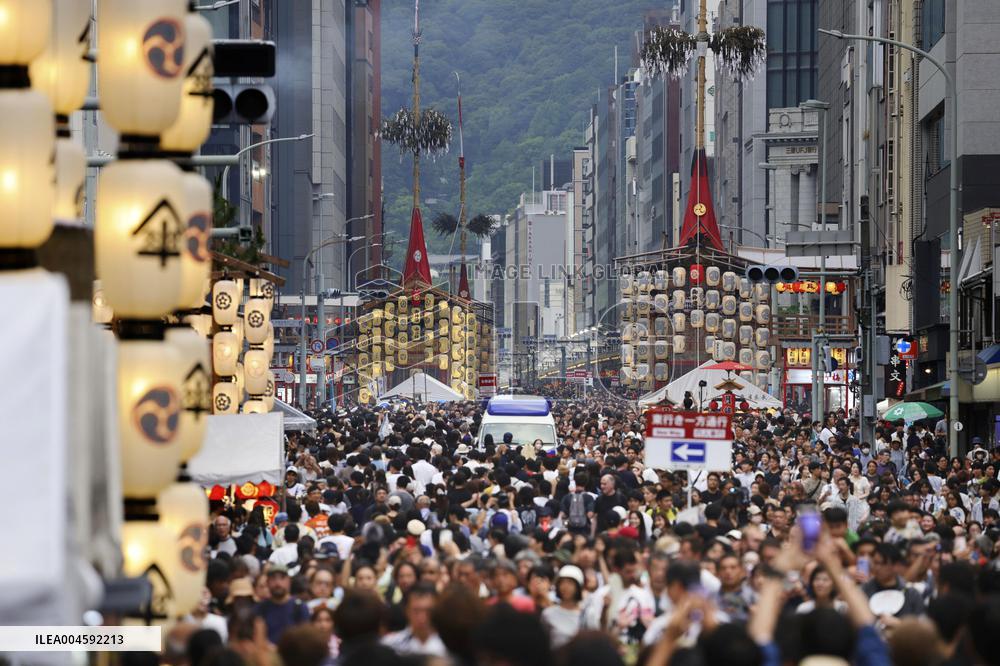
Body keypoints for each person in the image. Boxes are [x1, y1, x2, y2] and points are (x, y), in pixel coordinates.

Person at [381, 582, 448, 657]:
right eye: (416, 611)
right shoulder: (390, 646)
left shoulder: (450, 646)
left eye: (428, 611)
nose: (422, 618)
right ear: (407, 611)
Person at [254, 564, 310, 644]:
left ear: (289, 581)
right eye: (273, 578)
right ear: (267, 582)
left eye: (282, 578)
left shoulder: (300, 607)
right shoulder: (260, 608)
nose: (278, 583)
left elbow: (305, 639)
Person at [541, 565, 585, 649]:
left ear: (578, 587)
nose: (565, 587)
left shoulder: (586, 614)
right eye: (562, 582)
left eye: (570, 583)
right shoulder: (548, 614)